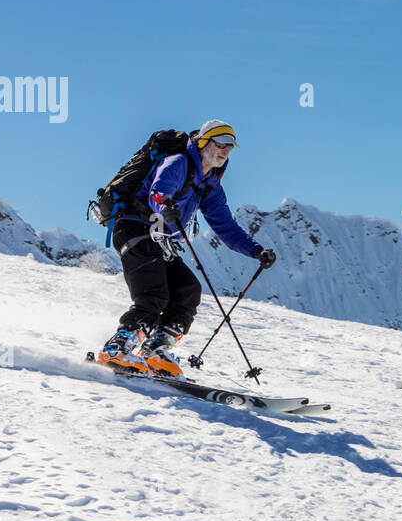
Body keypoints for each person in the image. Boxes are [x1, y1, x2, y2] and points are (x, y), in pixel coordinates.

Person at [98, 119, 276, 375]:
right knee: (153, 294)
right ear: (204, 142)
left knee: (187, 290)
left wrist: (256, 251)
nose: (225, 151)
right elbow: (159, 190)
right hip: (135, 227)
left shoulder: (210, 184)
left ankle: (155, 351)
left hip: (159, 237)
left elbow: (226, 227)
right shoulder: (179, 162)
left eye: (230, 147)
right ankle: (116, 349)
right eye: (221, 144)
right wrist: (165, 206)